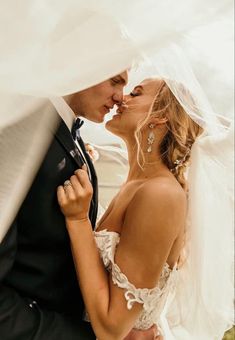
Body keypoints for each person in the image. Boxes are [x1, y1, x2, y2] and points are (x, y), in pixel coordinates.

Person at [57, 78, 203, 339]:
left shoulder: (161, 194)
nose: (121, 98)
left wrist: (79, 220)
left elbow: (112, 327)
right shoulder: (133, 185)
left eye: (135, 93)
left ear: (161, 117)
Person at [0, 72, 128, 340]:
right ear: (85, 64)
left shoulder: (69, 134)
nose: (120, 97)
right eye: (115, 81)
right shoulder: (20, 131)